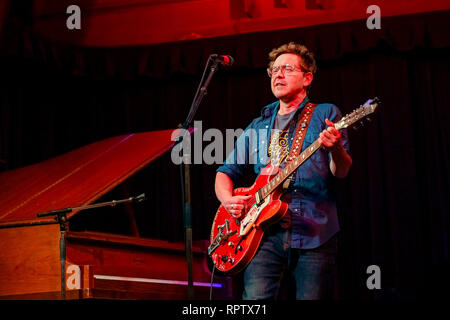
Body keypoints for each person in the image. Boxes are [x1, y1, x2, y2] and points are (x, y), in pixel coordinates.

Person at [214, 42, 352, 300]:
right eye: (274, 70)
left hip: (314, 232)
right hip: (263, 236)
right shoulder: (258, 125)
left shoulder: (325, 113)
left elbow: (341, 171)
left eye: (287, 69)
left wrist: (334, 149)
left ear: (307, 77)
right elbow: (225, 171)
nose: (278, 74)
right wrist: (228, 200)